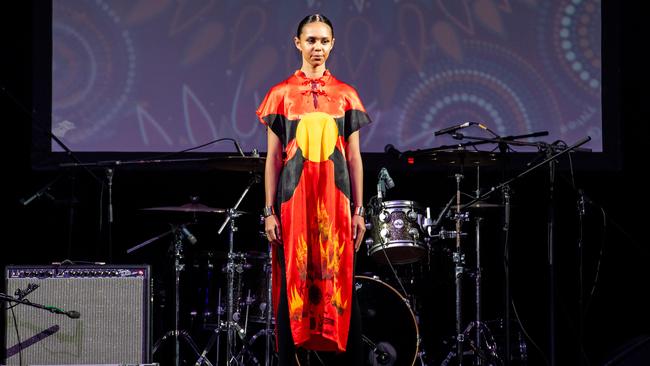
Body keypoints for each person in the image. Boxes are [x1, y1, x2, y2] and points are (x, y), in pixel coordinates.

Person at [257, 14, 371, 365]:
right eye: (311, 41)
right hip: (294, 199)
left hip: (336, 201)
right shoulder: (280, 94)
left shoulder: (346, 95)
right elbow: (273, 159)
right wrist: (269, 211)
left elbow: (354, 158)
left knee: (339, 273)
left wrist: (359, 211)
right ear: (298, 43)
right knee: (294, 272)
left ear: (333, 44)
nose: (317, 47)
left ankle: (337, 354)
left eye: (324, 41)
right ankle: (290, 355)